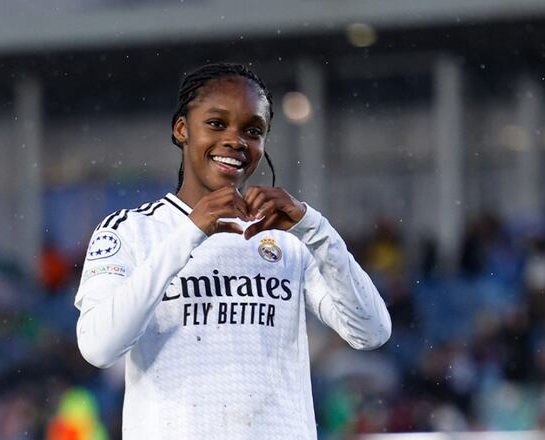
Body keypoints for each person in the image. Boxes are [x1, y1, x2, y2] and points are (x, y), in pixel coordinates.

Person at [74, 62, 391, 439]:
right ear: (181, 129)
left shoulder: (289, 239)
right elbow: (98, 347)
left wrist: (316, 229)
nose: (236, 140)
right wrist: (190, 233)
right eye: (216, 123)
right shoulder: (131, 231)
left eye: (253, 130)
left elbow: (371, 332)